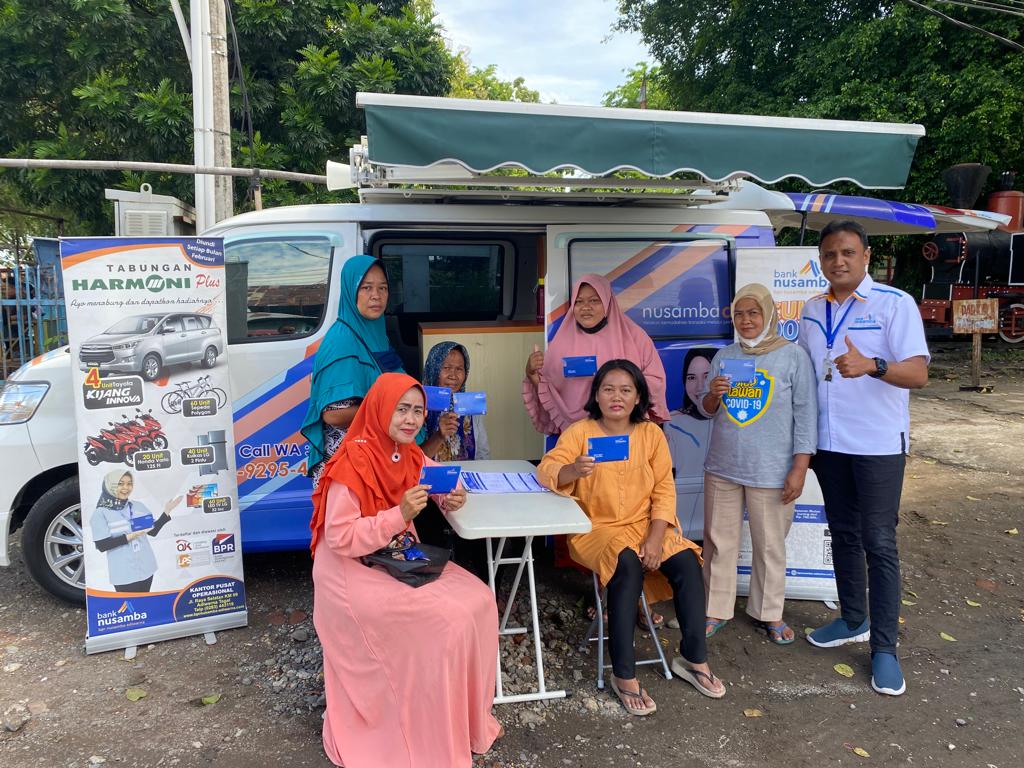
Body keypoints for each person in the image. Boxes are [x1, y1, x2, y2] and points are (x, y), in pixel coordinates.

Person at [309, 373, 502, 767]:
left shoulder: (408, 453)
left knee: (481, 600)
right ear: (380, 409)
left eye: (417, 411)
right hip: (351, 572)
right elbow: (340, 537)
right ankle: (413, 729)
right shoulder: (352, 461)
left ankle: (457, 723)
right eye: (401, 410)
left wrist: (453, 496)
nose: (411, 419)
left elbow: (441, 480)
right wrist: (399, 515)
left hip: (396, 554)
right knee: (445, 620)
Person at [537, 360, 725, 716]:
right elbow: (546, 470)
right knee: (627, 565)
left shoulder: (651, 434)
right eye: (608, 389)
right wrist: (572, 469)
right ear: (596, 395)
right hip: (597, 530)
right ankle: (623, 674)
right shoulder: (580, 432)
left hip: (646, 525)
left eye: (626, 390)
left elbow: (664, 491)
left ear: (638, 397)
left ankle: (693, 658)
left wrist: (655, 539)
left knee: (687, 562)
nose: (617, 397)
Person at [798, 220, 929, 697]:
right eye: (830, 254)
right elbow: (805, 374)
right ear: (821, 260)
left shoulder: (895, 303)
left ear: (867, 256)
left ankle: (885, 649)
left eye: (848, 252)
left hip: (877, 446)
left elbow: (918, 374)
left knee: (879, 542)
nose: (839, 261)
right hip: (830, 444)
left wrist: (873, 365)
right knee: (844, 534)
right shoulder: (812, 309)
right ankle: (853, 618)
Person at [698, 283, 817, 644]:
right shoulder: (724, 355)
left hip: (771, 469)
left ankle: (769, 612)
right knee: (718, 541)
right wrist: (713, 395)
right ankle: (715, 608)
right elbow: (707, 409)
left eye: (753, 313)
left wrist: (799, 468)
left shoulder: (792, 357)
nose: (746, 320)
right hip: (723, 465)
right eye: (739, 314)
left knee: (769, 545)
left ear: (769, 314)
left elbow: (806, 415)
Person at [301, 255, 404, 489]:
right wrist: (392, 409)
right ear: (351, 291)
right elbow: (333, 415)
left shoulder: (376, 333)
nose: (376, 295)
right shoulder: (342, 341)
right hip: (347, 469)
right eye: (366, 288)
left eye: (383, 288)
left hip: (373, 459)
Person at [523, 274, 669, 437]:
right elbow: (549, 389)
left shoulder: (634, 337)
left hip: (625, 430)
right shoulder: (561, 342)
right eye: (579, 302)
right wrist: (532, 372)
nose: (585, 307)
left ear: (607, 302)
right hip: (577, 434)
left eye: (594, 301)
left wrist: (620, 387)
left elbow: (656, 381)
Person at [91, 470, 182, 593]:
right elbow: (102, 545)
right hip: (124, 573)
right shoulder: (100, 513)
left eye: (129, 483)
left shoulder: (137, 506)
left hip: (146, 567)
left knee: (144, 601)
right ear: (109, 486)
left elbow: (152, 531)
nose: (126, 487)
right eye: (120, 484)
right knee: (129, 604)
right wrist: (131, 536)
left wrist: (166, 511)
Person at [666, 347, 717, 535]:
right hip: (681, 526)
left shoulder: (732, 422)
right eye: (691, 378)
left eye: (707, 376)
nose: (700, 386)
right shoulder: (672, 422)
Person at [420, 341, 490, 461]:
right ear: (433, 368)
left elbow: (483, 454)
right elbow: (411, 459)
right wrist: (439, 436)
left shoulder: (470, 407)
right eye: (446, 368)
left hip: (466, 472)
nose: (453, 375)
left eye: (459, 369)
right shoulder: (418, 407)